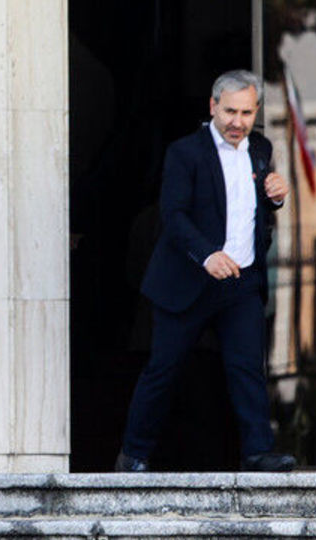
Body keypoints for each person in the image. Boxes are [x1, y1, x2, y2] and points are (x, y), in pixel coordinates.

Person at [116, 70, 296, 473]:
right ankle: (134, 455)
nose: (237, 121)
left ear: (256, 112)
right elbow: (174, 215)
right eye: (230, 111)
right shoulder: (185, 152)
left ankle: (258, 452)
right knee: (163, 369)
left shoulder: (261, 148)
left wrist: (276, 197)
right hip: (189, 279)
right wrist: (207, 255)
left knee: (246, 368)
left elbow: (253, 208)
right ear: (213, 106)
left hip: (241, 281)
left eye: (246, 113)